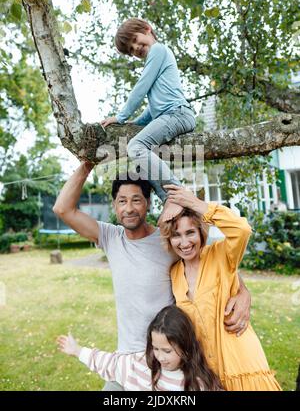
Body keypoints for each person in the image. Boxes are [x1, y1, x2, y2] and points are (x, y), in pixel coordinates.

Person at [53, 162, 252, 391]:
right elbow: (62, 209)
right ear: (114, 205)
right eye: (122, 201)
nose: (129, 208)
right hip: (128, 359)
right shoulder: (109, 236)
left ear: (148, 203)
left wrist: (242, 291)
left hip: (168, 357)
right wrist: (87, 164)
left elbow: (211, 262)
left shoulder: (168, 241)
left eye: (136, 200)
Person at [159, 184, 282, 391]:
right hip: (208, 376)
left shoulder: (221, 255)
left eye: (190, 233)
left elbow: (241, 230)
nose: (184, 242)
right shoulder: (174, 274)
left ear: (201, 233)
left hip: (243, 368)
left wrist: (196, 204)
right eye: (176, 235)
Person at [100, 18, 196, 223]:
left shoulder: (158, 50)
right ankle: (169, 199)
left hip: (178, 114)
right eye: (131, 49)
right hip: (169, 115)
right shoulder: (156, 61)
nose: (136, 48)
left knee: (135, 147)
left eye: (135, 40)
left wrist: (121, 116)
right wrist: (130, 124)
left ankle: (177, 195)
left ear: (147, 29)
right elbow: (153, 110)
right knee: (142, 157)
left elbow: (140, 88)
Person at [57, 305, 223, 391]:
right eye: (156, 348)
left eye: (167, 351)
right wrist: (77, 350)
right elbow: (109, 363)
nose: (160, 357)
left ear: (185, 347)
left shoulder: (198, 383)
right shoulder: (141, 364)